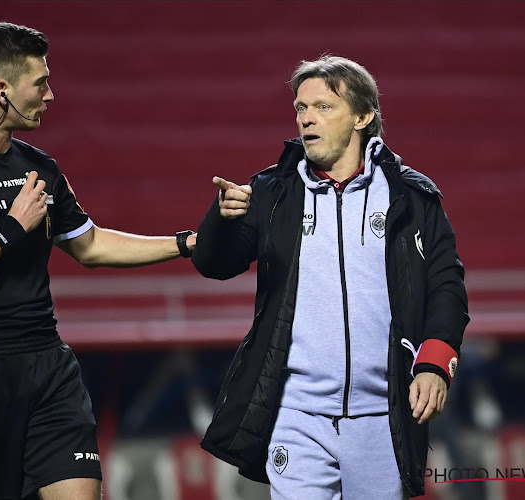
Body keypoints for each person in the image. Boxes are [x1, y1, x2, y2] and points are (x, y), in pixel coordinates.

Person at [0, 22, 196, 500]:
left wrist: (185, 244)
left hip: (47, 365)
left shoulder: (40, 168)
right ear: (2, 90)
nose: (51, 95)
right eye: (41, 83)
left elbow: (91, 245)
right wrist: (10, 229)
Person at [192, 55, 468, 499]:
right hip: (296, 415)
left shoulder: (412, 196)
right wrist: (220, 220)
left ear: (363, 116)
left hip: (382, 415)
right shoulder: (271, 192)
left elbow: (446, 286)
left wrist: (435, 363)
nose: (306, 119)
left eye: (323, 107)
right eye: (300, 108)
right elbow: (214, 264)